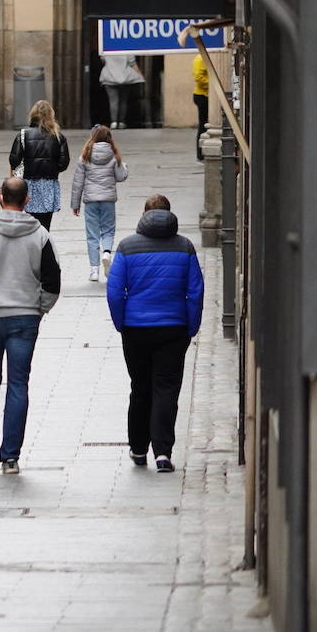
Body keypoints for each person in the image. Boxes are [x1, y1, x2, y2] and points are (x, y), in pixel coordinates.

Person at [0, 178, 61, 475]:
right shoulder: (40, 234)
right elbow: (53, 279)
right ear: (27, 200)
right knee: (18, 384)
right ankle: (11, 457)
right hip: (24, 317)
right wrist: (39, 308)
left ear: (0, 196)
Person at [107, 194, 204, 473]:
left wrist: (121, 322)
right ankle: (162, 452)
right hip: (173, 328)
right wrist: (191, 326)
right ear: (170, 215)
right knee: (166, 389)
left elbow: (115, 291)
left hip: (136, 328)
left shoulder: (127, 247)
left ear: (144, 214)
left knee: (140, 388)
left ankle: (138, 449)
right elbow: (195, 291)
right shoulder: (184, 247)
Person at [70, 125, 129, 282]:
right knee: (108, 230)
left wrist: (75, 204)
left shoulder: (85, 156)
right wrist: (124, 167)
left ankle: (94, 270)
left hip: (91, 201)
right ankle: (107, 253)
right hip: (108, 200)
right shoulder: (114, 156)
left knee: (92, 235)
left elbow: (78, 183)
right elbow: (121, 177)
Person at [8, 99, 70, 230]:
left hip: (29, 184)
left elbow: (14, 160)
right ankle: (43, 247)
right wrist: (52, 169)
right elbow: (64, 163)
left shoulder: (23, 134)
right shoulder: (58, 136)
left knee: (29, 222)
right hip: (49, 184)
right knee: (45, 225)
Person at [100, 54, 145, 129]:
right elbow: (132, 64)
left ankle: (113, 122)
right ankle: (121, 122)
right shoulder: (126, 49)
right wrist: (140, 76)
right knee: (123, 100)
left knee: (113, 101)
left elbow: (103, 60)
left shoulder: (107, 48)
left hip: (109, 76)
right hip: (125, 77)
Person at [192, 53, 210, 160]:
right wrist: (212, 83)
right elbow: (198, 78)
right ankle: (200, 153)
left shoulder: (202, 57)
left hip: (204, 94)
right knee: (203, 125)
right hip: (202, 95)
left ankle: (201, 153)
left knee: (203, 124)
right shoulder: (200, 59)